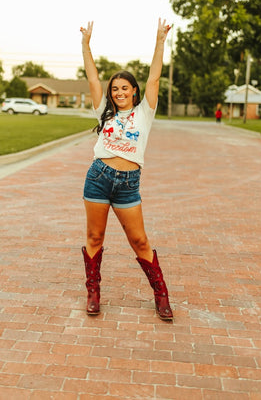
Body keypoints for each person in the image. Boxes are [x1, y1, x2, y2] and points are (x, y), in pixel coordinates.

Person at [80, 19, 173, 321]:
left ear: (134, 91)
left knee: (140, 241)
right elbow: (93, 79)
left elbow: (155, 78)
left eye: (124, 87)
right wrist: (86, 46)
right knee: (95, 237)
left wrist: (160, 42)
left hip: (128, 184)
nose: (119, 92)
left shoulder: (144, 112)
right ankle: (93, 292)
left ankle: (161, 295)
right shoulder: (103, 111)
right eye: (114, 89)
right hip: (98, 178)